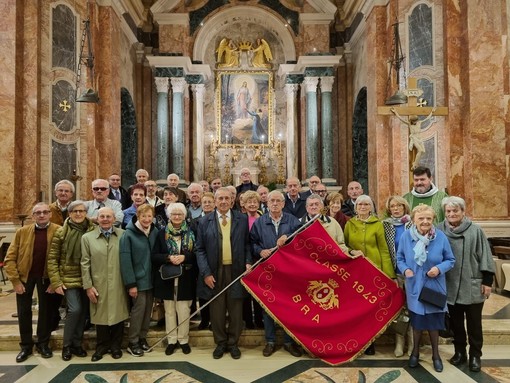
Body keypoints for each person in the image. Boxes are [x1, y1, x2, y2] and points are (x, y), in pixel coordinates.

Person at [437, 196, 496, 372]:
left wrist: (487, 281)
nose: (451, 214)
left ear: (463, 212)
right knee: (456, 323)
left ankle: (475, 355)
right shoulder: (438, 229)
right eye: (448, 211)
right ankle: (460, 352)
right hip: (449, 284)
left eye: (455, 210)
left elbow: (485, 256)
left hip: (472, 284)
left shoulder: (475, 230)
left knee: (474, 324)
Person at [396, 204, 455, 373]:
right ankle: (414, 353)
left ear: (433, 220)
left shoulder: (440, 237)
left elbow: (450, 260)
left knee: (434, 323)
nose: (425, 221)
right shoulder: (407, 237)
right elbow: (399, 258)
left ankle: (436, 355)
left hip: (434, 286)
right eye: (421, 218)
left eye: (429, 218)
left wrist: (439, 269)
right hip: (414, 285)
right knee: (417, 323)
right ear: (414, 220)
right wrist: (405, 269)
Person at [196, 187, 252, 360]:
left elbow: (247, 244)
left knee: (236, 309)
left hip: (236, 271)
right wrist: (205, 273)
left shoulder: (242, 219)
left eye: (226, 198)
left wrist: (248, 262)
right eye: (220, 198)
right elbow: (200, 249)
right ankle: (220, 343)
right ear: (214, 200)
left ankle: (233, 343)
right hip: (214, 272)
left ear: (232, 200)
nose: (223, 201)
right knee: (217, 310)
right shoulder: (204, 221)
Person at [4, 203, 61, 362]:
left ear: (49, 214)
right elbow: (10, 258)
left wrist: (55, 281)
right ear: (33, 216)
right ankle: (26, 346)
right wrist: (15, 281)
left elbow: (63, 258)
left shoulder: (59, 230)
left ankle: (43, 344)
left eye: (44, 212)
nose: (41, 215)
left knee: (46, 311)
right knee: (23, 312)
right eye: (38, 213)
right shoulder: (22, 232)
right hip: (25, 277)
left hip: (47, 278)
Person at [250, 190, 302, 357]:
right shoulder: (260, 222)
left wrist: (288, 238)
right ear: (267, 203)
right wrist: (260, 251)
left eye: (278, 201)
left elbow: (301, 241)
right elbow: (252, 243)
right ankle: (270, 341)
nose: (274, 203)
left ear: (283, 203)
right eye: (271, 200)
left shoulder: (292, 221)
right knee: (268, 307)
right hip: (268, 271)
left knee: (289, 307)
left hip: (289, 271)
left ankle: (289, 342)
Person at [344, 194, 396, 355]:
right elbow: (344, 246)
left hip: (374, 272)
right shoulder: (349, 224)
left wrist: (389, 275)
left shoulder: (377, 224)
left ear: (371, 207)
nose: (363, 207)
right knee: (356, 308)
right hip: (354, 272)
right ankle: (357, 341)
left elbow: (384, 249)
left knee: (371, 309)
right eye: (360, 204)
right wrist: (352, 251)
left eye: (366, 204)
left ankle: (370, 341)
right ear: (356, 207)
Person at [47, 200, 95, 361]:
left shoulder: (92, 229)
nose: (79, 214)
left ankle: (76, 343)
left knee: (83, 313)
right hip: (68, 278)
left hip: (87, 277)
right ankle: (66, 346)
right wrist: (56, 282)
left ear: (86, 213)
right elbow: (52, 258)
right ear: (70, 213)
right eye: (75, 211)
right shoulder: (61, 232)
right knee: (74, 310)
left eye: (81, 211)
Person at [81, 207, 129, 361]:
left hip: (118, 282)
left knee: (118, 314)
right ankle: (101, 347)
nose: (106, 219)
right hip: (98, 282)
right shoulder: (87, 238)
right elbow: (84, 263)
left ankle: (116, 346)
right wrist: (88, 286)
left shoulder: (123, 235)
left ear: (114, 218)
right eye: (102, 216)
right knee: (100, 316)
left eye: (109, 216)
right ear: (97, 218)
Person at [152, 202, 197, 355]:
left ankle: (183, 340)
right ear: (168, 216)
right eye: (174, 214)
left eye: (180, 214)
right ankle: (171, 340)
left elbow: (198, 253)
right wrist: (168, 258)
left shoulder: (192, 231)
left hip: (186, 277)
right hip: (167, 278)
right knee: (169, 311)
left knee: (184, 310)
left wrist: (185, 257)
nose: (177, 217)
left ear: (185, 216)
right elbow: (154, 256)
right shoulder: (161, 233)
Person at [120, 204, 159, 357]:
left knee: (148, 311)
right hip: (137, 281)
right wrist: (131, 284)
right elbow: (125, 260)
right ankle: (133, 341)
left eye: (150, 216)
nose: (147, 219)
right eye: (144, 216)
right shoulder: (128, 235)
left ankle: (142, 338)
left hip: (151, 280)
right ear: (138, 216)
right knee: (138, 311)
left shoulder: (154, 231)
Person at [382, 196, 413, 357]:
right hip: (395, 272)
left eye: (398, 206)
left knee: (413, 308)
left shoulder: (412, 223)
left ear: (404, 207)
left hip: (412, 272)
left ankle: (413, 343)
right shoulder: (385, 225)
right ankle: (399, 343)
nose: (395, 209)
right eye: (392, 206)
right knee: (399, 309)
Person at [240, 190, 263, 330]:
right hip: (244, 259)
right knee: (245, 292)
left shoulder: (264, 218)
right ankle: (248, 320)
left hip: (260, 259)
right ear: (244, 204)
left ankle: (260, 320)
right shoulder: (240, 219)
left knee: (259, 291)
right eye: (249, 201)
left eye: (255, 201)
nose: (252, 204)